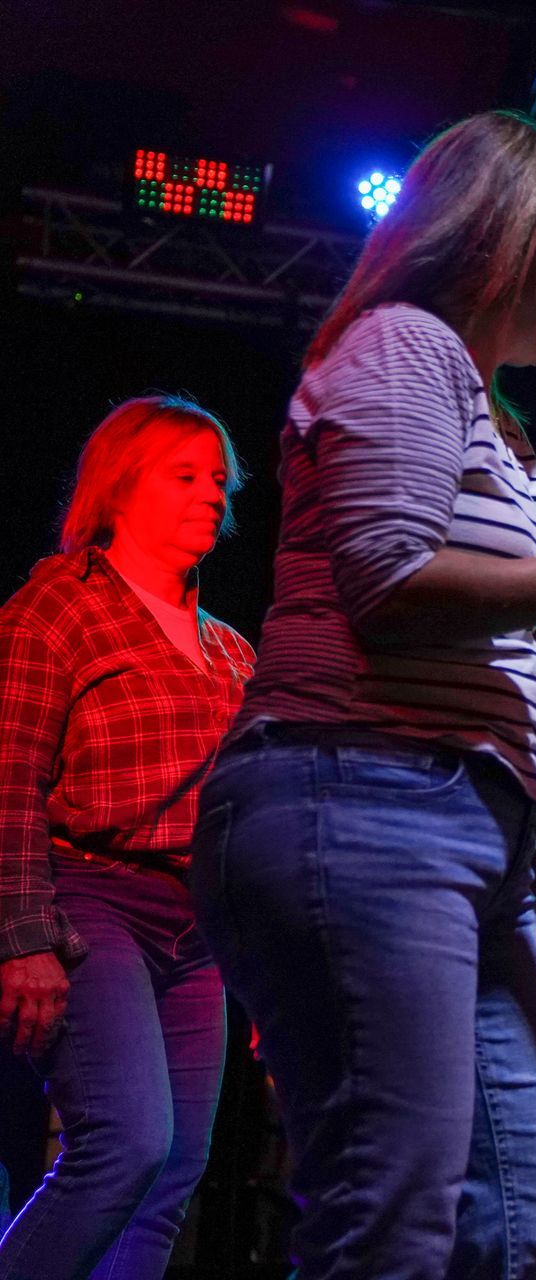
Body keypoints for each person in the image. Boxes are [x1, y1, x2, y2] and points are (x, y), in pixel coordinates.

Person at [187, 110, 536, 1279]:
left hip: (454, 822)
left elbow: (490, 640)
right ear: (515, 234)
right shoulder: (404, 347)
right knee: (391, 1216)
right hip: (361, 790)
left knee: (530, 1225)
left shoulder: (488, 412)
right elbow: (388, 587)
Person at [0, 397, 252, 1278]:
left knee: (174, 1171)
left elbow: (242, 819)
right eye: (183, 477)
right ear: (118, 487)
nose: (210, 496)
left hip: (197, 930)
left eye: (218, 481)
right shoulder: (56, 609)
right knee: (127, 1143)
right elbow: (8, 780)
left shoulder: (232, 652)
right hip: (89, 898)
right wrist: (23, 939)